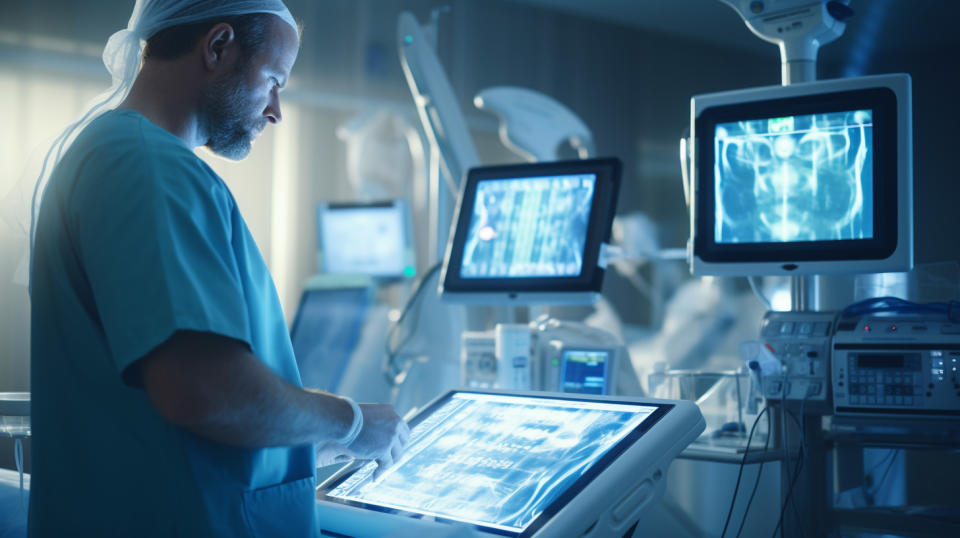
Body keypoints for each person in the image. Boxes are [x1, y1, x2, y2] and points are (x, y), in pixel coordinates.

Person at [28, 1, 408, 536]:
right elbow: (204, 392)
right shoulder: (148, 166)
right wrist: (351, 421)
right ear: (218, 46)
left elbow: (167, 412)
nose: (276, 110)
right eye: (274, 79)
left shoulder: (115, 154)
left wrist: (316, 440)